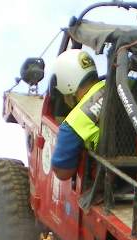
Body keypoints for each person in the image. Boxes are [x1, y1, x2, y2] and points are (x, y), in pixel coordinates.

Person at [50, 49, 105, 180]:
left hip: (107, 180)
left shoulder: (73, 123)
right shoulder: (123, 85)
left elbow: (62, 173)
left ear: (67, 83)